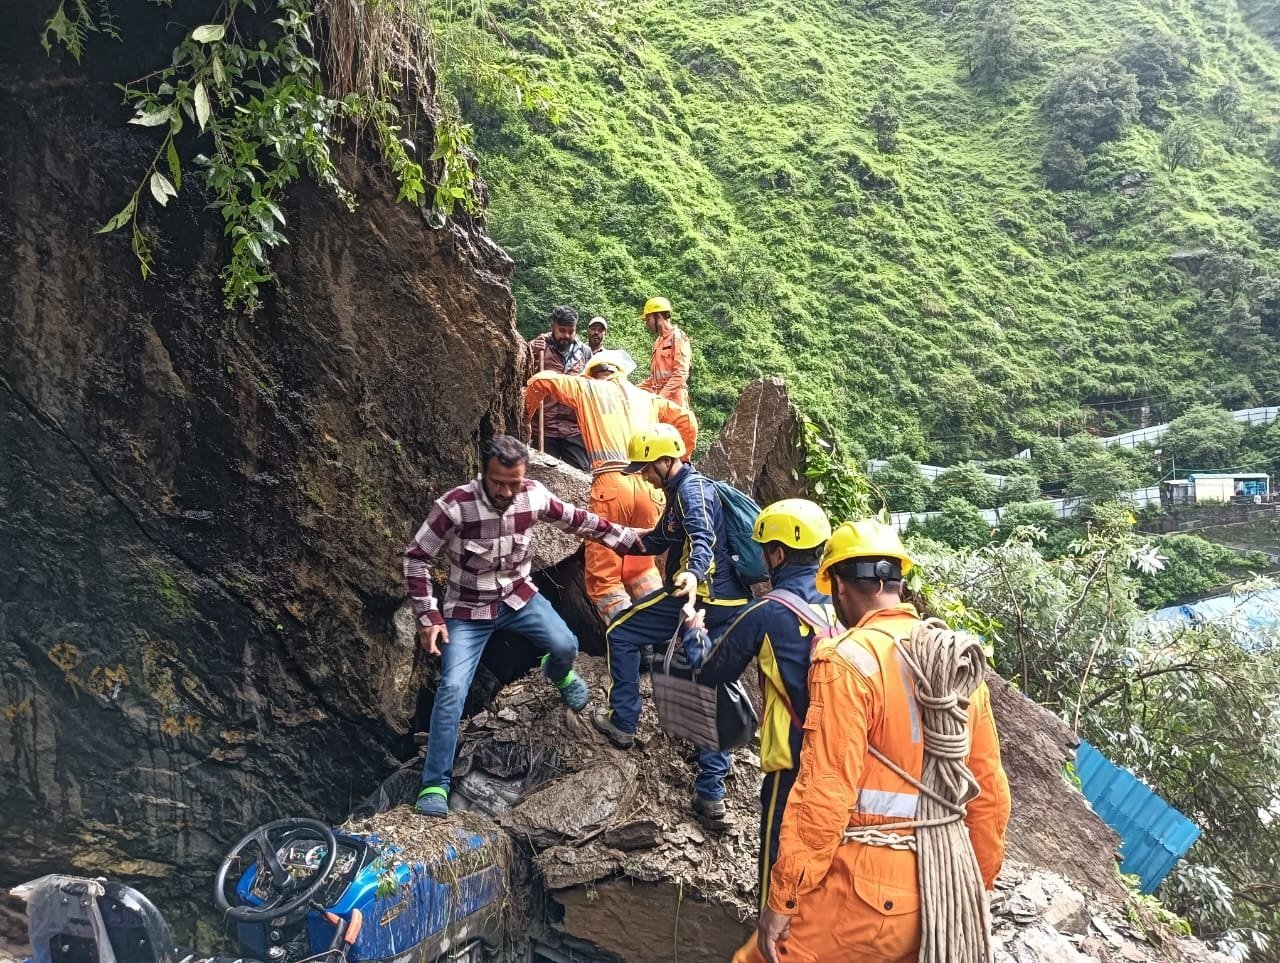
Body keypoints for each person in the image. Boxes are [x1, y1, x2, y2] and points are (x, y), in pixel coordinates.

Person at [737, 519, 1011, 963]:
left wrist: (782, 899)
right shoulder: (957, 664)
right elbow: (989, 791)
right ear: (899, 583)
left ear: (840, 587)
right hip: (939, 888)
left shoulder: (847, 660)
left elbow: (824, 795)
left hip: (863, 891)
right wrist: (973, 881)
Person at [403, 435, 645, 818]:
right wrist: (428, 616)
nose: (506, 491)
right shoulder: (454, 507)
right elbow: (416, 558)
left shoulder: (531, 497)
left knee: (566, 645)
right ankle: (435, 782)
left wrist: (626, 538)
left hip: (517, 597)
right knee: (451, 689)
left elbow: (577, 519)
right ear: (483, 473)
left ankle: (557, 672)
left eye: (513, 483)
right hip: (467, 611)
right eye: (498, 482)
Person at [591, 424, 751, 829]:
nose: (644, 476)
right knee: (709, 682)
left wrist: (693, 575)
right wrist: (604, 533)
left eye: (647, 468)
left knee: (620, 633)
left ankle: (624, 721)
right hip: (728, 604)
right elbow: (659, 541)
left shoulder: (693, 492)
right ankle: (711, 795)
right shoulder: (681, 492)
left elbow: (702, 540)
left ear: (667, 461)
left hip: (698, 597)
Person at [682, 499, 838, 913]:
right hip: (842, 757)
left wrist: (695, 631)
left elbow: (709, 672)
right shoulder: (844, 605)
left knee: (776, 857)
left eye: (766, 548)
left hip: (791, 762)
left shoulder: (767, 612)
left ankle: (771, 939)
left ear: (779, 554)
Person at [524, 349, 697, 620]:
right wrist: (682, 458)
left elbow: (540, 381)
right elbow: (687, 420)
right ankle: (656, 641)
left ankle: (627, 638)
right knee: (640, 570)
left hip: (612, 487)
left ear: (593, 372)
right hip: (650, 489)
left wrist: (525, 419)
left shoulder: (586, 387)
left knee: (605, 579)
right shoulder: (646, 397)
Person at [527, 305, 592, 470]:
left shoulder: (584, 352)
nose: (567, 335)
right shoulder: (539, 347)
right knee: (543, 475)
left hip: (574, 428)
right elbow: (521, 377)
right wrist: (529, 351)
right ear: (552, 326)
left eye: (571, 331)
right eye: (562, 330)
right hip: (544, 427)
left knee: (581, 474)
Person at [637, 296, 692, 408]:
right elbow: (654, 379)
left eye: (648, 319)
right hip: (660, 400)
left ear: (658, 317)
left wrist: (661, 397)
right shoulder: (658, 342)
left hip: (675, 401)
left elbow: (680, 374)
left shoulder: (677, 337)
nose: (647, 324)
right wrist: (631, 388)